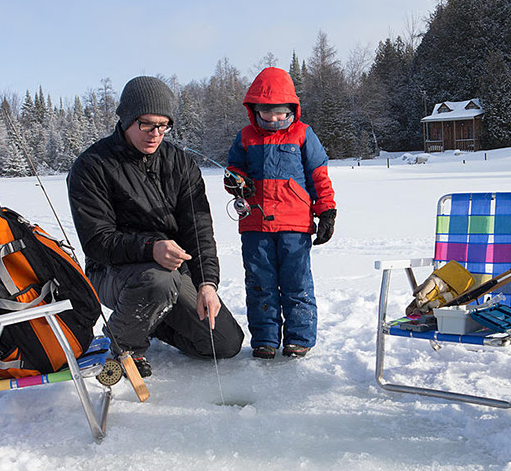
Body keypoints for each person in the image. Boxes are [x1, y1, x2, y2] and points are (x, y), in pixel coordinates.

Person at [67, 76, 245, 377]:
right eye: (147, 124)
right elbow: (98, 240)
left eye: (164, 125)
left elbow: (198, 230)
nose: (155, 134)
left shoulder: (181, 164)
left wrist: (206, 284)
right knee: (157, 280)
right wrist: (151, 248)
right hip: (111, 273)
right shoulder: (92, 166)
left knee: (225, 343)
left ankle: (149, 319)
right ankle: (125, 347)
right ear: (126, 119)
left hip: (172, 273)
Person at [225, 67, 336, 359]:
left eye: (280, 113)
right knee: (259, 284)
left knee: (296, 283)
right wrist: (234, 180)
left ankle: (299, 338)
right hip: (255, 225)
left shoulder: (303, 134)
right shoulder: (246, 136)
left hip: (294, 225)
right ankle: (265, 339)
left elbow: (318, 176)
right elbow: (234, 170)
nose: (274, 119)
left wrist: (327, 211)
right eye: (266, 113)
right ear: (255, 111)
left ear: (292, 109)